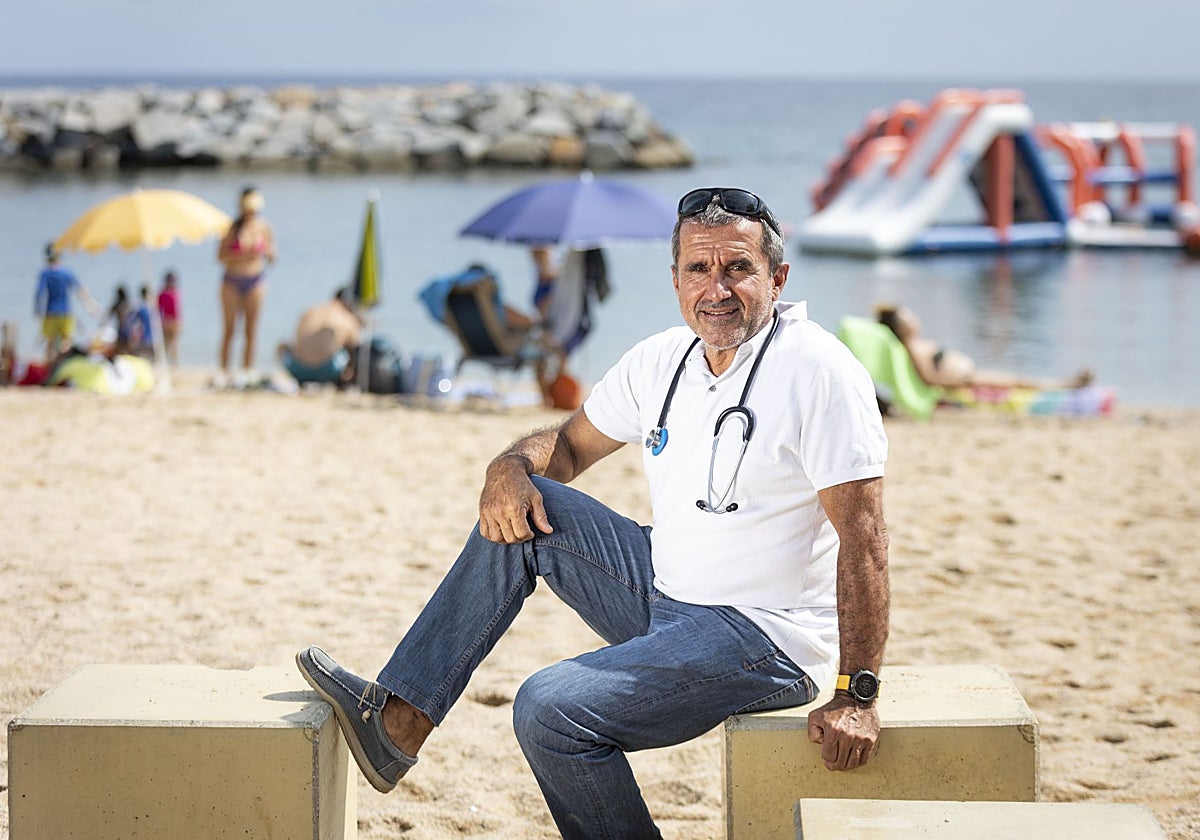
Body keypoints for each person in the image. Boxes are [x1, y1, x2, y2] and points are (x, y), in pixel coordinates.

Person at [297, 187, 890, 838]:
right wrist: (509, 469)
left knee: (550, 709)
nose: (716, 288)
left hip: (763, 638)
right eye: (699, 269)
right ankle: (397, 725)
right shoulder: (663, 360)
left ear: (777, 277)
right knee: (524, 508)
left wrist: (857, 695)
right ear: (675, 281)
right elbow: (570, 447)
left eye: (737, 269)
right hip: (664, 591)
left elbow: (864, 541)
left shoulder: (818, 371)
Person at [876, 304, 1093, 390]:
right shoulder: (912, 348)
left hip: (967, 376)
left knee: (1017, 379)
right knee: (1018, 381)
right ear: (902, 327)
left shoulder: (915, 344)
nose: (915, 318)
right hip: (967, 381)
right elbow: (928, 378)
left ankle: (1066, 384)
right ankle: (1067, 385)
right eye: (908, 318)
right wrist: (955, 383)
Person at [217, 186, 276, 382]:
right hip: (232, 280)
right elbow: (220, 257)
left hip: (255, 280)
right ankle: (224, 371)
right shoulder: (231, 228)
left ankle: (247, 371)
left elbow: (273, 256)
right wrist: (242, 254)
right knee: (230, 329)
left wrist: (265, 252)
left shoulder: (264, 227)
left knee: (252, 330)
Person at [278, 287, 364, 387]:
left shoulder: (311, 310)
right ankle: (342, 380)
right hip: (327, 370)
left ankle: (303, 381)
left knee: (281, 346)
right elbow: (356, 346)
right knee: (345, 352)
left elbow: (297, 337)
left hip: (297, 368)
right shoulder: (347, 316)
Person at [34, 242, 98, 361]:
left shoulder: (45, 273)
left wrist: (37, 311)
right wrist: (91, 305)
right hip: (65, 312)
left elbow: (40, 293)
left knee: (50, 342)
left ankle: (50, 366)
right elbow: (80, 290)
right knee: (66, 340)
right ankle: (64, 362)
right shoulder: (66, 272)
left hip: (50, 312)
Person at [157, 270, 181, 366]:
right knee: (172, 344)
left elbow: (158, 308)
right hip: (171, 321)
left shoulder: (165, 293)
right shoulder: (174, 292)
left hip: (168, 321)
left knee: (169, 344)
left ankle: (171, 363)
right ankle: (172, 363)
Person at [127, 285, 155, 359]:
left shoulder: (141, 308)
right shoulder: (149, 308)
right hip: (150, 337)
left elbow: (132, 322)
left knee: (144, 357)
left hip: (147, 338)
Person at [107, 285, 132, 354]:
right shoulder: (128, 304)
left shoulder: (117, 305)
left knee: (120, 349)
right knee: (128, 349)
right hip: (128, 329)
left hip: (121, 329)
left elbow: (108, 316)